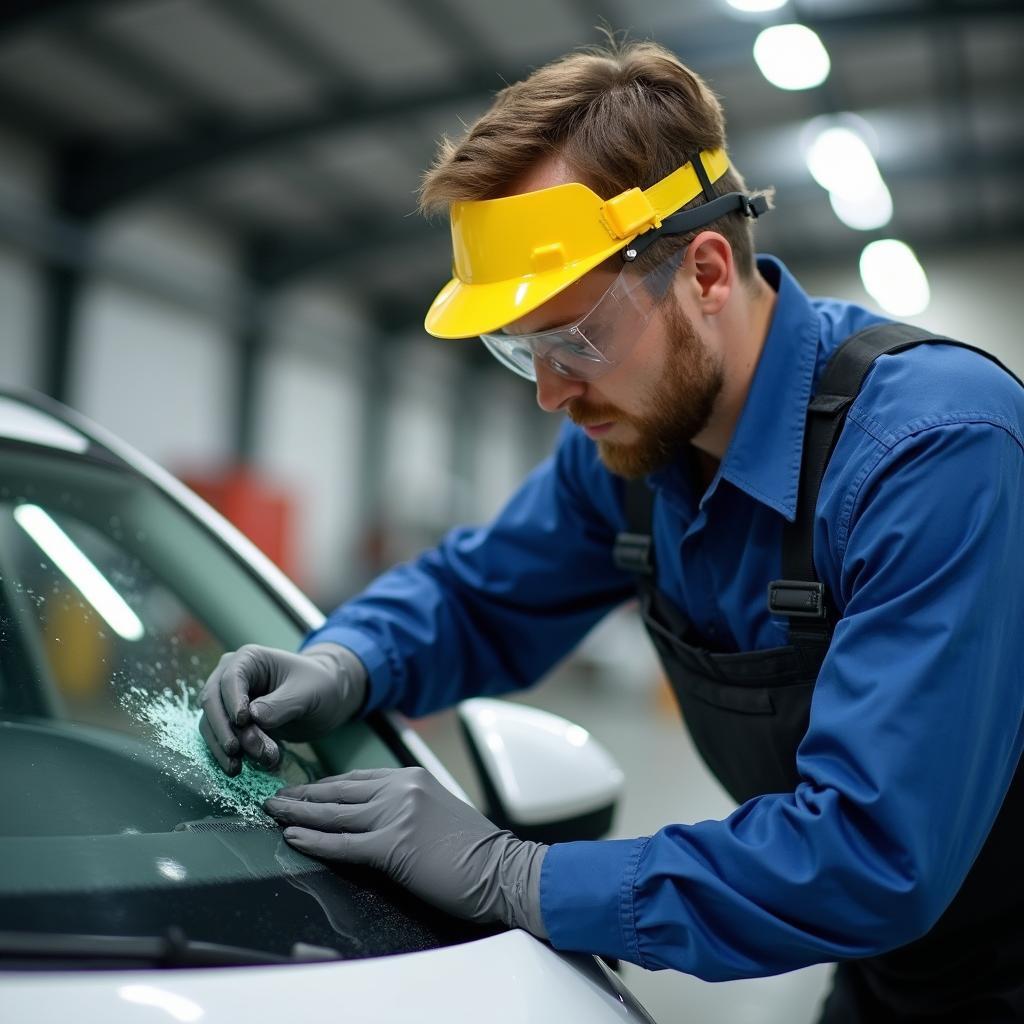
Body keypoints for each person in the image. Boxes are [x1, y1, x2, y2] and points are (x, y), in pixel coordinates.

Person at [198, 39, 1024, 1021]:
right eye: (521, 353)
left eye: (575, 340)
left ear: (706, 271)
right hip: (898, 976)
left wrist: (518, 877)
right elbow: (478, 592)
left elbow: (872, 851)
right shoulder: (638, 455)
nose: (551, 391)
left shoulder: (932, 453)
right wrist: (345, 658)